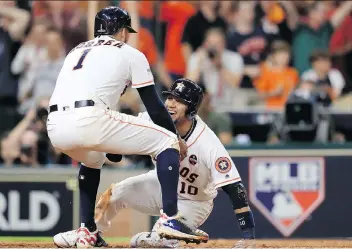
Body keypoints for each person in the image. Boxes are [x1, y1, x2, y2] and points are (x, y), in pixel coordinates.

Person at [47, 7, 204, 248]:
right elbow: (155, 107)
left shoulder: (75, 51)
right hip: (90, 118)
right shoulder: (130, 53)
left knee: (92, 160)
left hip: (55, 126)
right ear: (121, 31)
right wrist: (176, 138)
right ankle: (169, 218)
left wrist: (111, 143)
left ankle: (87, 231)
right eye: (126, 31)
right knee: (166, 140)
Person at [53, 79, 256, 248]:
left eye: (179, 101)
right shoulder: (152, 119)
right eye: (169, 97)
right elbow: (121, 136)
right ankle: (90, 233)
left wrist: (248, 237)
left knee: (155, 244)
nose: (170, 104)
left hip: (193, 201)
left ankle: (159, 238)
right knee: (116, 194)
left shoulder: (208, 143)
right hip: (159, 186)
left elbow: (235, 189)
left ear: (192, 109)